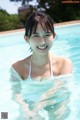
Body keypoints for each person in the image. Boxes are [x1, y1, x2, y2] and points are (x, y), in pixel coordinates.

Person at [10, 11, 72, 120]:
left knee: (59, 114)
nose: (42, 41)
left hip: (56, 100)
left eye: (47, 35)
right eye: (36, 36)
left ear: (54, 36)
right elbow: (16, 93)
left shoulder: (64, 64)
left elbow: (59, 88)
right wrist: (26, 110)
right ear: (26, 39)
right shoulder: (17, 68)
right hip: (30, 102)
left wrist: (38, 105)